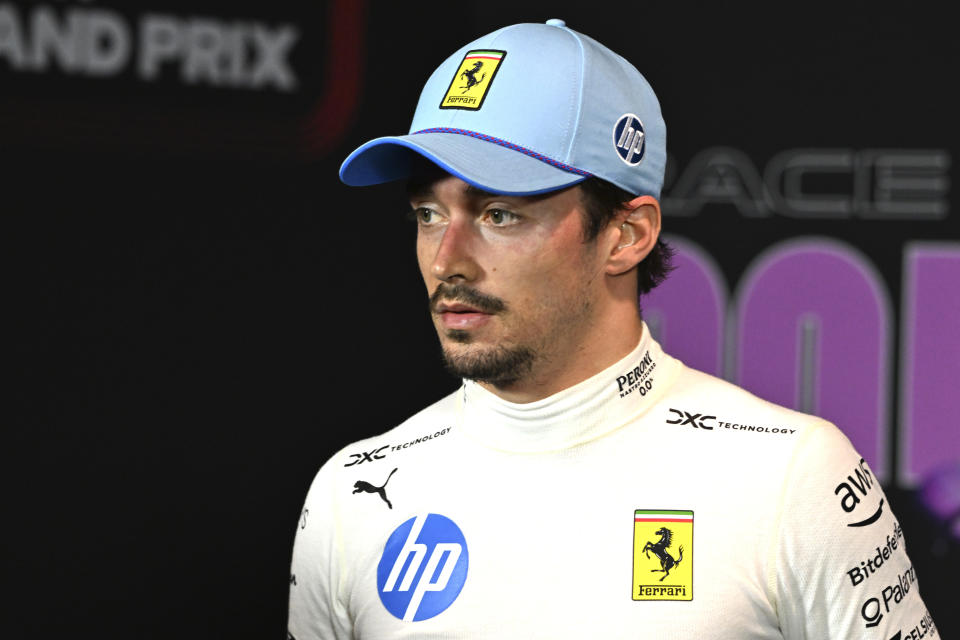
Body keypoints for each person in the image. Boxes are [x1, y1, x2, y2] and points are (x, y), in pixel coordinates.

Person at [288, 19, 937, 639]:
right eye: (429, 213)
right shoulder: (350, 494)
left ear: (627, 236)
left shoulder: (796, 478)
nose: (446, 259)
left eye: (499, 215)